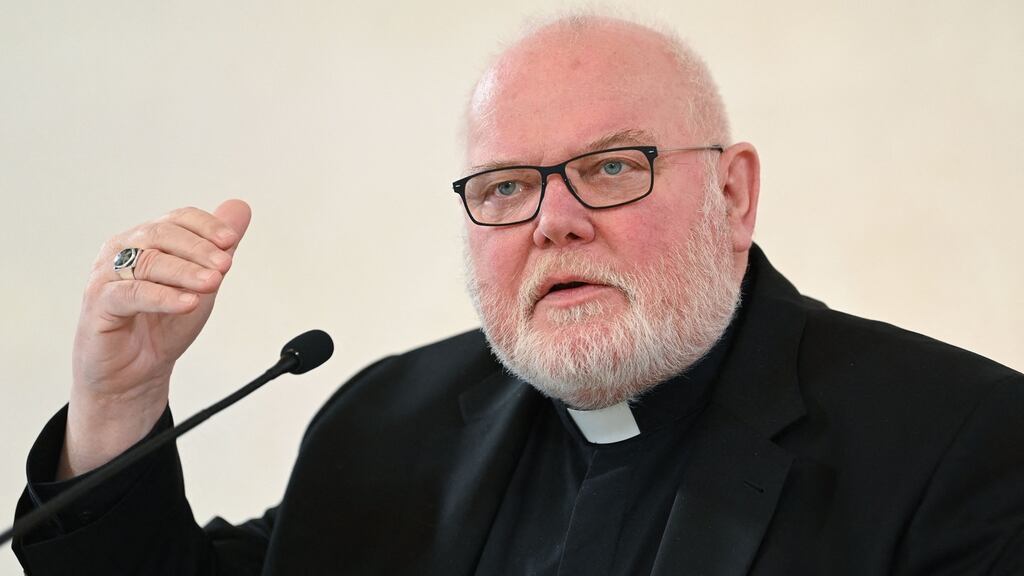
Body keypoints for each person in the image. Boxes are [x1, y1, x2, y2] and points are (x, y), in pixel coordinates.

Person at [13, 14, 1024, 576]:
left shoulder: (960, 442)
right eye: (505, 187)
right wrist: (118, 400)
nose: (553, 221)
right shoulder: (389, 426)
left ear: (732, 193)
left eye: (612, 167)